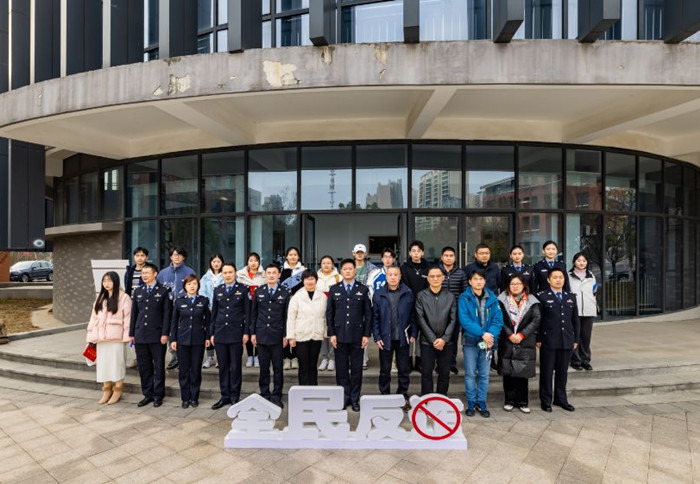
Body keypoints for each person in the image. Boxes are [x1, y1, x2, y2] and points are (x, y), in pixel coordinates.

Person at [326, 259, 372, 412]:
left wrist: (366, 334)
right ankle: (344, 398)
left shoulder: (363, 289)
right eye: (345, 268)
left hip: (357, 335)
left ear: (354, 271)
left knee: (357, 369)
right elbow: (329, 314)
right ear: (341, 271)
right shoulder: (334, 289)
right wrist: (331, 333)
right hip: (339, 335)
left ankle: (355, 398)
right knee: (341, 369)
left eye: (350, 268)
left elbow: (368, 314)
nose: (347, 271)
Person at [459, 269, 504, 418]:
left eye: (481, 279)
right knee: (470, 374)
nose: (478, 282)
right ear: (470, 282)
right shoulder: (464, 298)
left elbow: (498, 320)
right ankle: (471, 402)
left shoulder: (493, 298)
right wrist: (482, 333)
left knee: (484, 374)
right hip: (470, 342)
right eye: (475, 279)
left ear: (485, 281)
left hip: (487, 343)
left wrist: (490, 335)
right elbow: (464, 320)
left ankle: (481, 402)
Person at [129, 263, 172, 407]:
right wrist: (131, 333)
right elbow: (134, 314)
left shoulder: (164, 291)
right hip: (140, 334)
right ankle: (147, 394)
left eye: (147, 273)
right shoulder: (138, 291)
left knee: (158, 366)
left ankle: (158, 395)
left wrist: (165, 333)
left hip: (157, 335)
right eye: (143, 273)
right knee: (144, 366)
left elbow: (167, 314)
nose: (144, 275)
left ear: (155, 274)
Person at [537, 268, 580, 412]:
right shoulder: (542, 297)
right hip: (548, 340)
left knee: (562, 372)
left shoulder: (570, 297)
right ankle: (546, 400)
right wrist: (538, 338)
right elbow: (539, 320)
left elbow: (575, 320)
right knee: (547, 372)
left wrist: (576, 339)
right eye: (555, 277)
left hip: (566, 340)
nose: (558, 280)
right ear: (548, 280)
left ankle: (561, 399)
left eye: (561, 277)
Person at [372, 266, 415, 410]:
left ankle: (402, 395)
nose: (393, 277)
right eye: (390, 274)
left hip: (403, 338)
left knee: (404, 370)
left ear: (400, 276)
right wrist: (377, 337)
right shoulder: (379, 294)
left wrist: (413, 333)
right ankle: (385, 396)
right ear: (386, 277)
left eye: (396, 274)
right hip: (385, 338)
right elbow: (375, 318)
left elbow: (413, 315)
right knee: (385, 370)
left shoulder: (408, 292)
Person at [497, 274, 540, 414]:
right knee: (508, 372)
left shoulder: (531, 300)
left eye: (518, 284)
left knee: (522, 373)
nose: (515, 286)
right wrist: (510, 334)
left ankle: (522, 402)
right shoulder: (501, 300)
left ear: (523, 286)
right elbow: (499, 319)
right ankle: (509, 400)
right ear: (508, 286)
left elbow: (536, 319)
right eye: (512, 284)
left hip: (525, 340)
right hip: (507, 340)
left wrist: (521, 334)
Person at [86, 271, 132, 405]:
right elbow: (93, 318)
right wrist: (91, 336)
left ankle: (118, 390)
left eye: (109, 280)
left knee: (117, 365)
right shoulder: (100, 298)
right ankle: (106, 389)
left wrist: (127, 338)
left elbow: (128, 318)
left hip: (116, 339)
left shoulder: (124, 297)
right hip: (101, 339)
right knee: (104, 366)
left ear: (116, 282)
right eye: (104, 281)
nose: (106, 283)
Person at [210, 263, 251, 409]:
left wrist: (246, 332)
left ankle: (234, 396)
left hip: (236, 333)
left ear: (235, 273)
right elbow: (214, 313)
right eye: (225, 273)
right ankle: (224, 396)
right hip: (220, 332)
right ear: (222, 274)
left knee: (235, 366)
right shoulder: (218, 290)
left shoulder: (243, 289)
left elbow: (247, 313)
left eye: (230, 272)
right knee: (223, 366)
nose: (227, 275)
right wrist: (212, 333)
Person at [250, 264, 291, 408]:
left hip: (277, 335)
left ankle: (277, 395)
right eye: (269, 273)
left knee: (278, 368)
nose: (272, 275)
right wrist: (253, 333)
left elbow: (287, 316)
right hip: (261, 334)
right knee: (264, 368)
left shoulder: (285, 292)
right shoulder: (259, 291)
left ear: (279, 275)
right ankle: (265, 394)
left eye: (274, 273)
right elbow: (254, 314)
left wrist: (286, 335)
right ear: (265, 275)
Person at [170, 275, 211, 408]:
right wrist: (173, 339)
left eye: (194, 284)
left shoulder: (203, 301)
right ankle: (185, 398)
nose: (192, 286)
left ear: (198, 286)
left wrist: (207, 337)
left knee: (195, 370)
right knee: (183, 370)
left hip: (198, 340)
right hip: (182, 340)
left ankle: (194, 397)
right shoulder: (179, 301)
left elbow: (208, 321)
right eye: (189, 284)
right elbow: (174, 322)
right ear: (185, 287)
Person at [416, 266, 457, 396]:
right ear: (428, 279)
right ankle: (427, 400)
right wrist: (433, 339)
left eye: (438, 276)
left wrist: (444, 339)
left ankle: (441, 399)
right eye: (432, 276)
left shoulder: (450, 296)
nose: (435, 279)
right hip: (427, 342)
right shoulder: (421, 296)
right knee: (426, 373)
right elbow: (420, 319)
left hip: (446, 342)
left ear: (443, 278)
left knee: (444, 373)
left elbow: (453, 319)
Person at [157, 246, 197, 370]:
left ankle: (182, 356)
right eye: (174, 254)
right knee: (170, 330)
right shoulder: (163, 273)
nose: (177, 257)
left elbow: (194, 287)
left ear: (183, 257)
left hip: (185, 307)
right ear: (170, 257)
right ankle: (174, 356)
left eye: (179, 255)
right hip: (168, 307)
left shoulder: (189, 272)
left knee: (183, 330)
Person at [287, 269, 327, 386]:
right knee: (303, 366)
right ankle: (303, 391)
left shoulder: (322, 297)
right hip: (301, 336)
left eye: (312, 279)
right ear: (303, 281)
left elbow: (326, 317)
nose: (310, 281)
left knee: (313, 366)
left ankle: (313, 390)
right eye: (307, 279)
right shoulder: (297, 297)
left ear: (316, 280)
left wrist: (324, 333)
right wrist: (291, 336)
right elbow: (291, 317)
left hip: (316, 335)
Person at [400, 240, 429, 373]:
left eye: (418, 251)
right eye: (413, 251)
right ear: (410, 253)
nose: (416, 253)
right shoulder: (404, 268)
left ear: (422, 253)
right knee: (408, 333)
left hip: (424, 305)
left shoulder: (428, 268)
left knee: (421, 334)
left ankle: (419, 360)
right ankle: (407, 361)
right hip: (407, 304)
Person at [439, 246, 466, 376]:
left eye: (451, 256)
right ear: (442, 257)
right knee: (440, 338)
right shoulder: (436, 271)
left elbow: (464, 293)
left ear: (454, 258)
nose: (448, 258)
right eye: (446, 255)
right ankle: (439, 364)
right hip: (439, 311)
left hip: (455, 312)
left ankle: (451, 364)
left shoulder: (461, 273)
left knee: (453, 339)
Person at [568, 253, 598, 371]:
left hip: (588, 310)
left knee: (586, 337)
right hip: (574, 310)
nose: (581, 263)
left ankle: (585, 360)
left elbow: (594, 290)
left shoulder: (591, 276)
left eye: (584, 261)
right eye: (579, 260)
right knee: (575, 336)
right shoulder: (568, 276)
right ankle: (575, 360)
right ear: (574, 262)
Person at [236, 252, 265, 368]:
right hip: (245, 306)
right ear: (247, 262)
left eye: (255, 260)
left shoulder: (264, 275)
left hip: (260, 305)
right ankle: (249, 355)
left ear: (259, 262)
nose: (253, 263)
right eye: (251, 260)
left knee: (257, 328)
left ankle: (257, 355)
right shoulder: (240, 275)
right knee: (247, 328)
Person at [280, 247, 306, 370]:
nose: (293, 257)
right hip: (284, 303)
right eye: (290, 254)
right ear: (286, 256)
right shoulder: (281, 270)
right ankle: (286, 356)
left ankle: (295, 357)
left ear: (298, 256)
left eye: (295, 254)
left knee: (297, 328)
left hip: (299, 303)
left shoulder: (303, 270)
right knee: (285, 328)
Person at [124, 247, 148, 368]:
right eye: (137, 255)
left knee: (144, 330)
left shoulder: (149, 271)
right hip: (132, 304)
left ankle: (145, 358)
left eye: (142, 255)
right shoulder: (129, 271)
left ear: (146, 257)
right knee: (134, 331)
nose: (140, 258)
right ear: (134, 257)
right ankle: (138, 357)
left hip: (145, 305)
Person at [199, 253, 224, 370]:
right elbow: (202, 292)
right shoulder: (205, 277)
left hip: (221, 309)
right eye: (214, 261)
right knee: (209, 332)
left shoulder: (225, 275)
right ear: (210, 263)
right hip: (208, 309)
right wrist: (208, 305)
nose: (216, 264)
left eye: (218, 261)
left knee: (219, 332)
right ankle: (209, 357)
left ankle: (220, 357)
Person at [316, 255, 341, 371]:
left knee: (332, 332)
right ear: (320, 265)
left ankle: (332, 358)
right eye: (323, 263)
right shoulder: (315, 277)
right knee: (322, 333)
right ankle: (324, 358)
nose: (326, 265)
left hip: (334, 309)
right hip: (319, 309)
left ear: (332, 265)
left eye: (328, 263)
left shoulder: (338, 277)